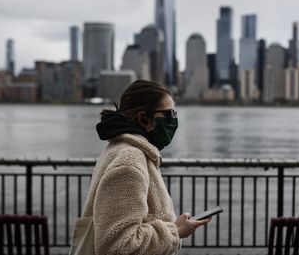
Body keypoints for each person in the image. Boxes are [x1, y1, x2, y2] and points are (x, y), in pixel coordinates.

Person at [80, 80, 210, 254]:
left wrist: (174, 226)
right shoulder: (130, 162)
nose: (174, 121)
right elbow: (117, 245)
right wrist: (175, 232)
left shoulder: (120, 148)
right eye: (169, 114)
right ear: (144, 119)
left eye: (175, 113)